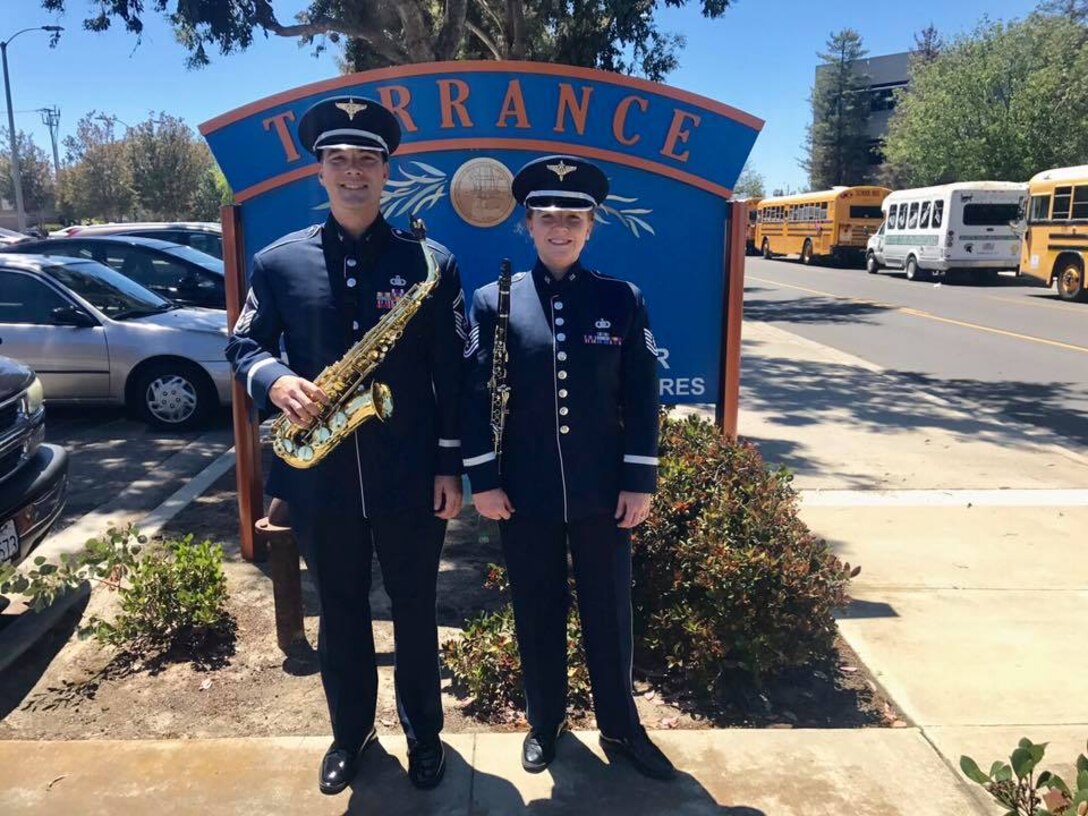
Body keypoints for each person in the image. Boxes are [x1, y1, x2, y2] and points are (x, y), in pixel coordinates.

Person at [225, 96, 466, 795]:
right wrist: (273, 381)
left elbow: (452, 374)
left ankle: (425, 735)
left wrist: (450, 464)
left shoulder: (429, 262)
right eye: (339, 161)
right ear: (320, 173)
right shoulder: (278, 262)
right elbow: (243, 343)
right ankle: (350, 733)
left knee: (416, 612)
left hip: (411, 476)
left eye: (366, 160)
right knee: (340, 612)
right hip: (320, 478)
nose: (353, 173)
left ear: (387, 170)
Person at [461, 155, 675, 780]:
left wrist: (640, 480)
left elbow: (641, 397)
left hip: (603, 492)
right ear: (526, 224)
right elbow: (474, 398)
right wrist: (485, 479)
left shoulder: (620, 298)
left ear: (591, 226)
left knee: (610, 614)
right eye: (548, 217)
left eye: (573, 218)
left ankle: (621, 728)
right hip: (522, 495)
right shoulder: (491, 302)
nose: (560, 228)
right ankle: (545, 722)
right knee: (536, 609)